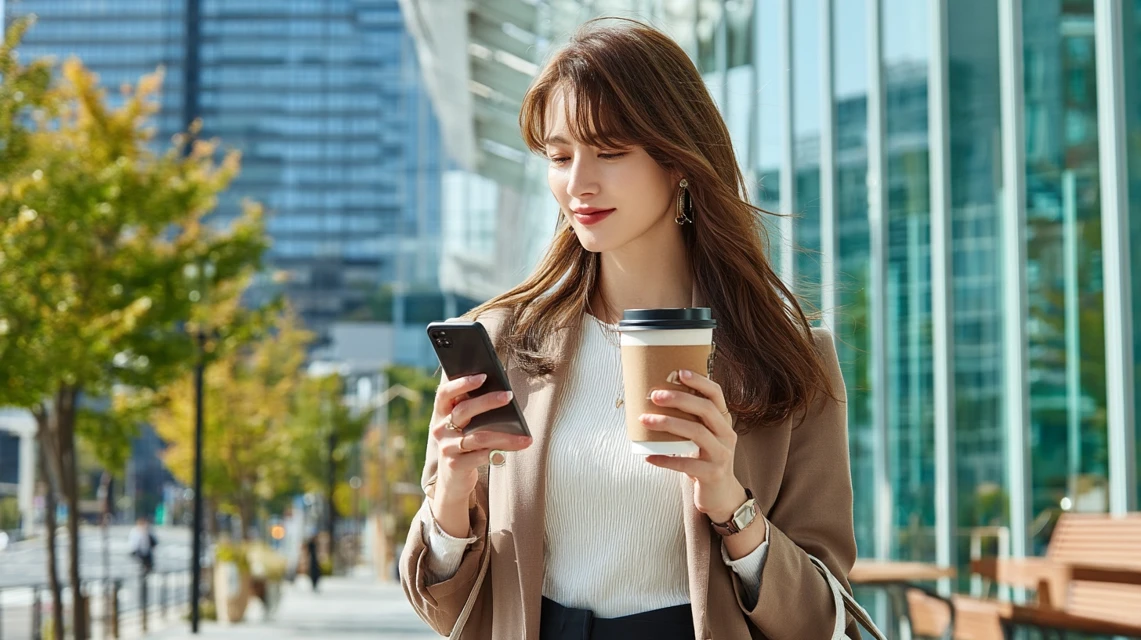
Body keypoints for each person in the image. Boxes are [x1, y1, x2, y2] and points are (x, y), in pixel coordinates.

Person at [401, 18, 860, 640]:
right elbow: (441, 606)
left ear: (679, 162)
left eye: (610, 152)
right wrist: (451, 499)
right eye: (560, 156)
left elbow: (821, 620)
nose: (578, 184)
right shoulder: (503, 343)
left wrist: (732, 504)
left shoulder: (787, 359)